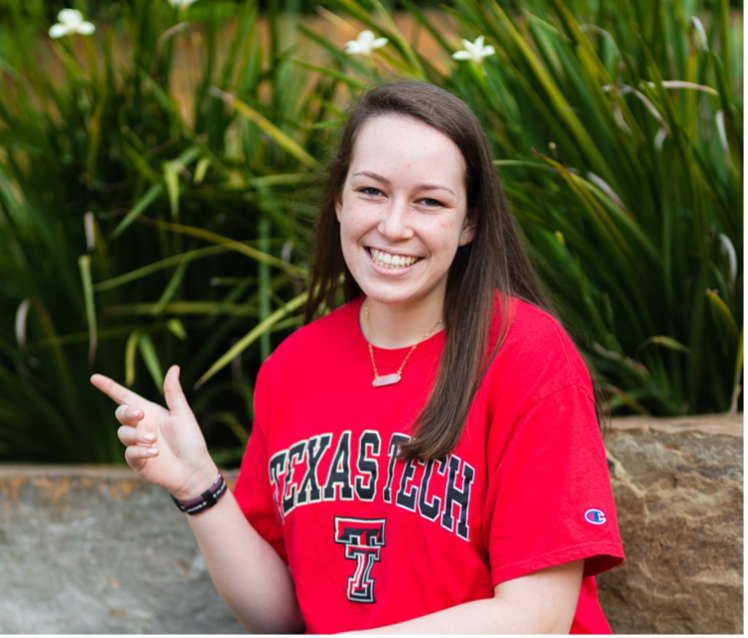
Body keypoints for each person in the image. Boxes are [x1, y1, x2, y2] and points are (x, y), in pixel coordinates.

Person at [91, 81, 624, 635]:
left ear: (469, 223)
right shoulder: (292, 368)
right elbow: (282, 616)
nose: (394, 227)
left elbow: (536, 618)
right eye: (372, 191)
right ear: (339, 201)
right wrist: (198, 485)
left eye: (430, 201)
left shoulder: (528, 356)